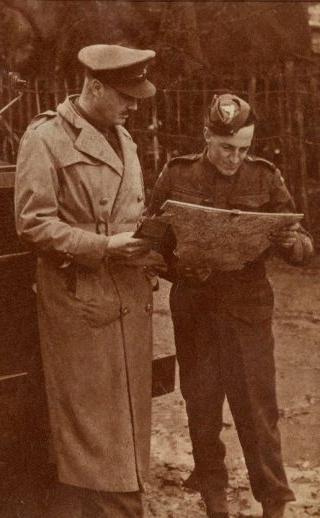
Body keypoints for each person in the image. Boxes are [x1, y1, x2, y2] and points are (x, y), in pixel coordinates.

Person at [14, 44, 164, 518]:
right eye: (125, 94)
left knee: (121, 436)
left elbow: (129, 213)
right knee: (97, 443)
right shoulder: (46, 139)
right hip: (81, 304)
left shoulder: (124, 139)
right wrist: (103, 247)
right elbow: (32, 224)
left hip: (127, 299)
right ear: (93, 86)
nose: (134, 104)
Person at [147, 93, 314, 518]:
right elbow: (152, 242)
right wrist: (180, 267)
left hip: (248, 308)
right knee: (201, 407)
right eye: (226, 148)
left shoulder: (265, 177)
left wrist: (295, 245)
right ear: (207, 136)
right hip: (195, 307)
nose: (235, 158)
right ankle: (214, 501)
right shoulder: (177, 173)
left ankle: (274, 503)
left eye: (243, 148)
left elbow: (298, 241)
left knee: (258, 410)